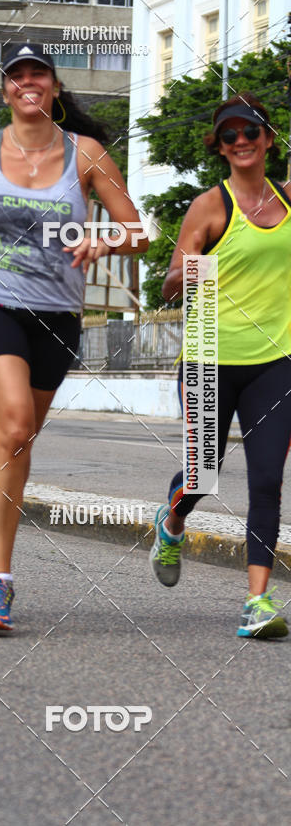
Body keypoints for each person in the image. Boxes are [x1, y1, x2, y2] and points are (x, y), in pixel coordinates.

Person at [0, 42, 146, 632]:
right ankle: (0, 582)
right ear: (8, 88)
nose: (26, 82)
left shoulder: (85, 154)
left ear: (53, 86)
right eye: (15, 74)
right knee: (13, 425)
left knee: (20, 443)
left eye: (36, 73)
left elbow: (138, 232)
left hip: (58, 317)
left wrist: (104, 242)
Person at [152, 91, 291, 639]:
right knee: (203, 473)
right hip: (210, 353)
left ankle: (256, 602)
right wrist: (185, 271)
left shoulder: (286, 201)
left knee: (267, 478)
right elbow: (170, 281)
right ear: (221, 147)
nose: (240, 142)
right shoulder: (211, 206)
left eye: (249, 132)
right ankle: (172, 521)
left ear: (268, 139)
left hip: (276, 362)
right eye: (229, 136)